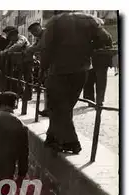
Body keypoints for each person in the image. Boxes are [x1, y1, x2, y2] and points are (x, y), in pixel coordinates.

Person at [40, 11, 111, 154]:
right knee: (66, 106)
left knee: (57, 105)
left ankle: (72, 142)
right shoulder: (88, 19)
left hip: (59, 70)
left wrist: (43, 68)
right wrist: (89, 48)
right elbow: (106, 38)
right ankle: (53, 138)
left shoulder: (55, 22)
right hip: (81, 69)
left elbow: (46, 47)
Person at [82, 19, 113, 107]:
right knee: (96, 82)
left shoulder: (101, 34)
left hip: (99, 62)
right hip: (98, 62)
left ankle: (93, 100)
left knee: (95, 82)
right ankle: (96, 100)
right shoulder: (99, 34)